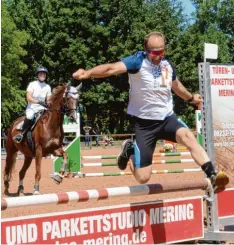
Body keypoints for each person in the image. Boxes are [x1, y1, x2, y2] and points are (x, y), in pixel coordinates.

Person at [73, 31, 229, 192]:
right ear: (146, 50)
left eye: (162, 51)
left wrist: (190, 99)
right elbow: (111, 69)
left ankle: (212, 174)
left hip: (167, 119)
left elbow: (176, 86)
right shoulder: (137, 61)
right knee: (143, 177)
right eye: (155, 52)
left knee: (189, 137)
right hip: (145, 125)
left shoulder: (167, 65)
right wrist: (88, 73)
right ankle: (130, 151)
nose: (159, 56)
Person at [14, 66, 52, 143]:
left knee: (53, 116)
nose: (42, 75)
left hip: (43, 108)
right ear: (37, 75)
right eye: (41, 74)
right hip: (32, 107)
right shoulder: (32, 84)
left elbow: (48, 100)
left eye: (44, 74)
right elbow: (28, 98)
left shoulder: (47, 86)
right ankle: (21, 134)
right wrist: (39, 102)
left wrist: (49, 103)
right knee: (29, 116)